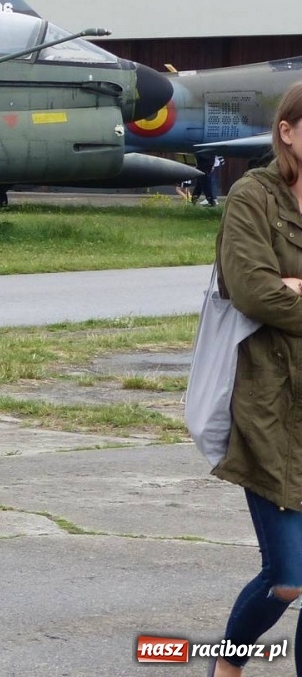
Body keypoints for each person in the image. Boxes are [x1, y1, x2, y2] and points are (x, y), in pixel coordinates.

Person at [208, 82, 302, 677]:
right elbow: (254, 291)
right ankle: (228, 663)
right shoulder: (253, 197)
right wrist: (282, 290)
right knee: (289, 580)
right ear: (288, 130)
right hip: (269, 406)